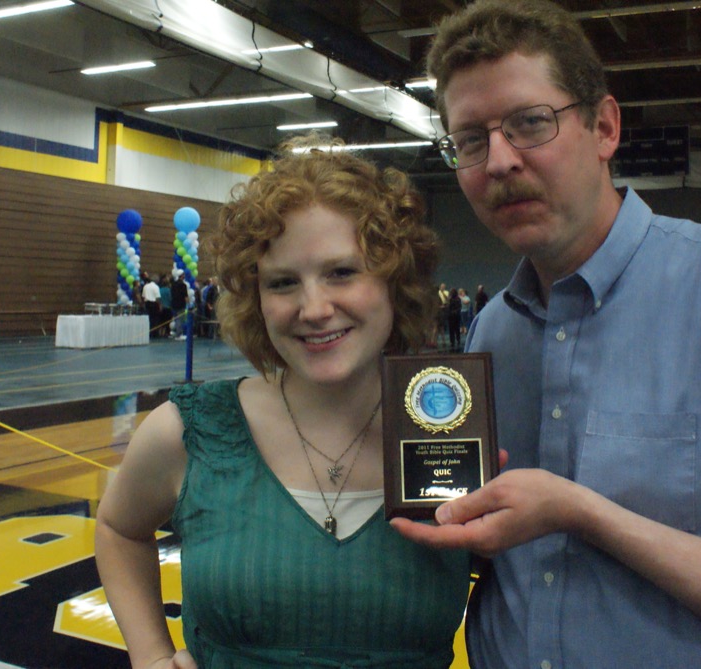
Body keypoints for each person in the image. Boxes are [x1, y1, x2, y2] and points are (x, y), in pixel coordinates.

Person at [391, 2, 701, 669]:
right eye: (471, 141)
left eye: (530, 122)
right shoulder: (494, 330)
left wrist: (582, 513)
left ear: (604, 127)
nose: (500, 162)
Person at [94, 140, 470, 669]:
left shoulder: (456, 429)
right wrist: (151, 655)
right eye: (283, 282)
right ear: (256, 298)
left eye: (342, 272)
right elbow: (118, 529)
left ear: (396, 280)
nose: (313, 309)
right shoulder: (190, 432)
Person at [141, 273, 162, 339]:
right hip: (154, 304)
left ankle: (149, 332)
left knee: (149, 318)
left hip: (147, 303)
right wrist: (160, 305)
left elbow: (143, 296)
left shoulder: (145, 286)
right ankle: (154, 333)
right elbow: (157, 298)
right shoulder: (156, 287)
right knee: (155, 319)